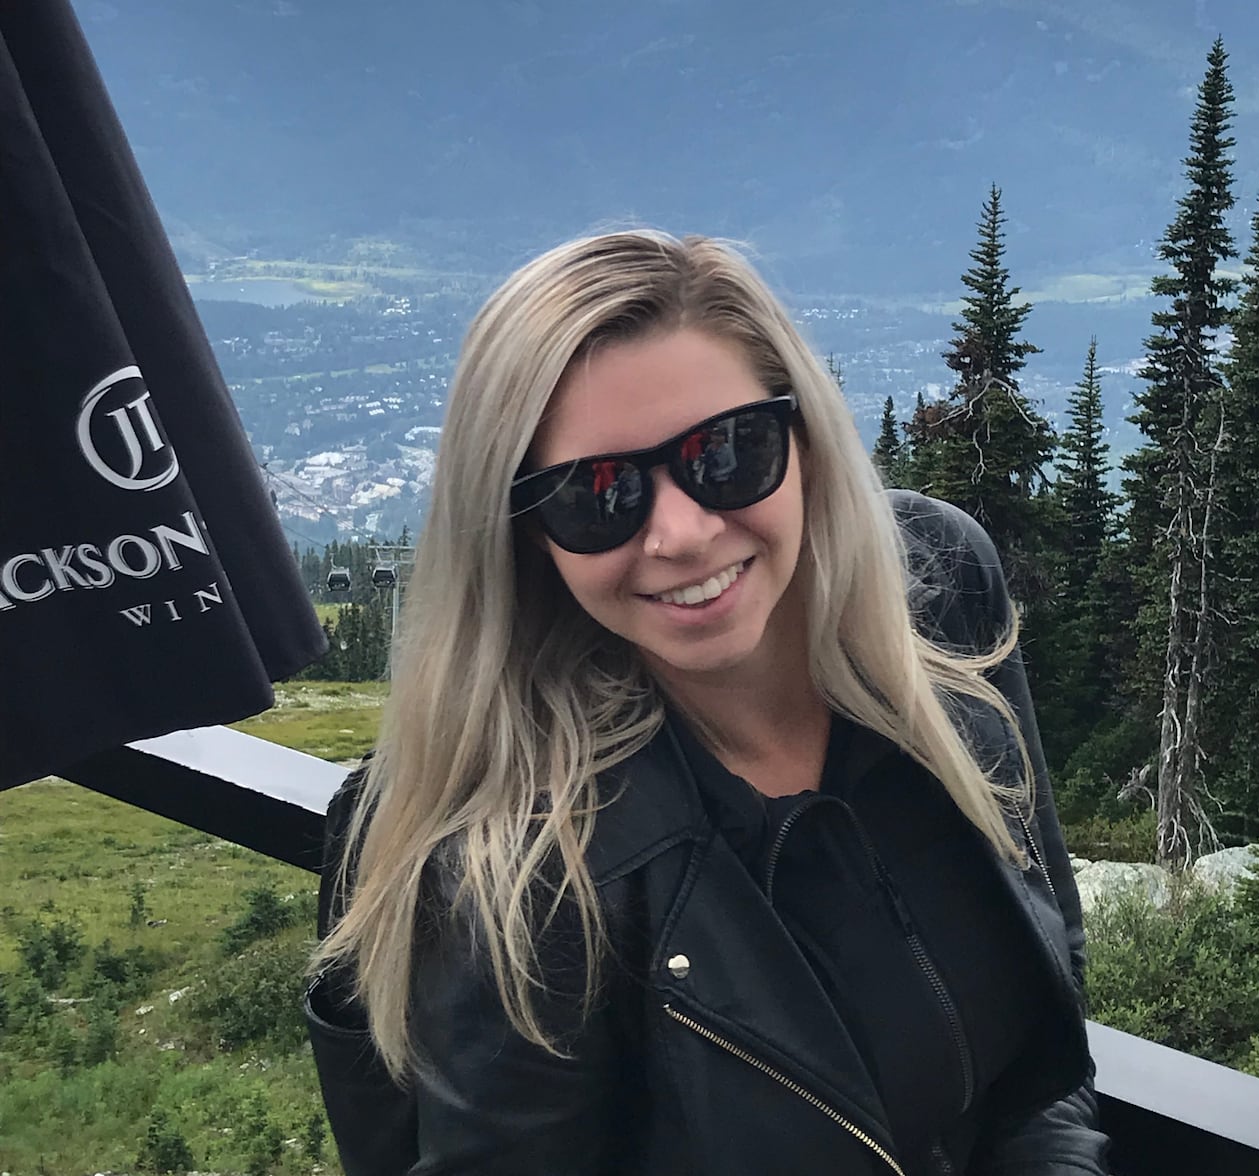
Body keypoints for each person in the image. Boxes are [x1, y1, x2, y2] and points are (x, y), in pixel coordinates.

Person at [306, 230, 1110, 1176]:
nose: (682, 533)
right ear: (526, 537)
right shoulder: (527, 866)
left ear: (804, 437)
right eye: (597, 494)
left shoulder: (934, 596)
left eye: (728, 451)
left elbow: (1043, 1031)